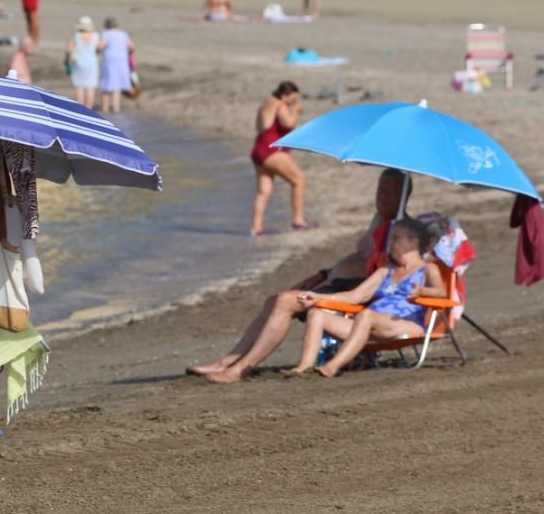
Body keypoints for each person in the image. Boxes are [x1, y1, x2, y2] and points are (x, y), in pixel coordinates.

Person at [190, 169, 409, 383]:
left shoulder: (399, 233)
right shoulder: (379, 219)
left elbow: (382, 273)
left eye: (390, 192)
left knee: (285, 302)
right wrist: (322, 275)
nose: (382, 196)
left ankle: (242, 368)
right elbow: (359, 258)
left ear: (403, 197)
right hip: (334, 283)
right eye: (380, 189)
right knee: (273, 300)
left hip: (352, 294)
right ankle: (229, 360)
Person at [289, 219, 446, 377]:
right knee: (316, 314)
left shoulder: (427, 268)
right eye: (390, 238)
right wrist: (317, 297)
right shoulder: (386, 269)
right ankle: (304, 367)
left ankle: (331, 367)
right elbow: (355, 296)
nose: (390, 243)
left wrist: (423, 291)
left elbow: (442, 292)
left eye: (396, 238)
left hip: (405, 324)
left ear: (413, 242)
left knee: (366, 315)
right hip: (366, 326)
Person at [250, 81, 315, 236]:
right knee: (299, 179)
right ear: (285, 95)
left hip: (258, 149)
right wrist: (295, 111)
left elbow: (261, 127)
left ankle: (256, 228)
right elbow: (288, 123)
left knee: (263, 191)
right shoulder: (280, 104)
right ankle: (298, 219)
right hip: (272, 149)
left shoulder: (266, 103)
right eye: (293, 99)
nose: (294, 102)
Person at [96, 18, 131, 115]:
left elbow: (100, 46)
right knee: (117, 85)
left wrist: (97, 52)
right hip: (121, 61)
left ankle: (105, 108)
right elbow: (131, 46)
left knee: (107, 83)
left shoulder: (106, 34)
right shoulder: (123, 34)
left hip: (110, 61)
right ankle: (116, 108)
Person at [65, 15, 100, 106]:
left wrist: (67, 62)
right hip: (92, 64)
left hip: (79, 63)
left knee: (79, 88)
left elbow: (69, 49)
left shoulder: (76, 35)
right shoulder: (96, 36)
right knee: (90, 88)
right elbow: (99, 49)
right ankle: (89, 110)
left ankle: (80, 110)